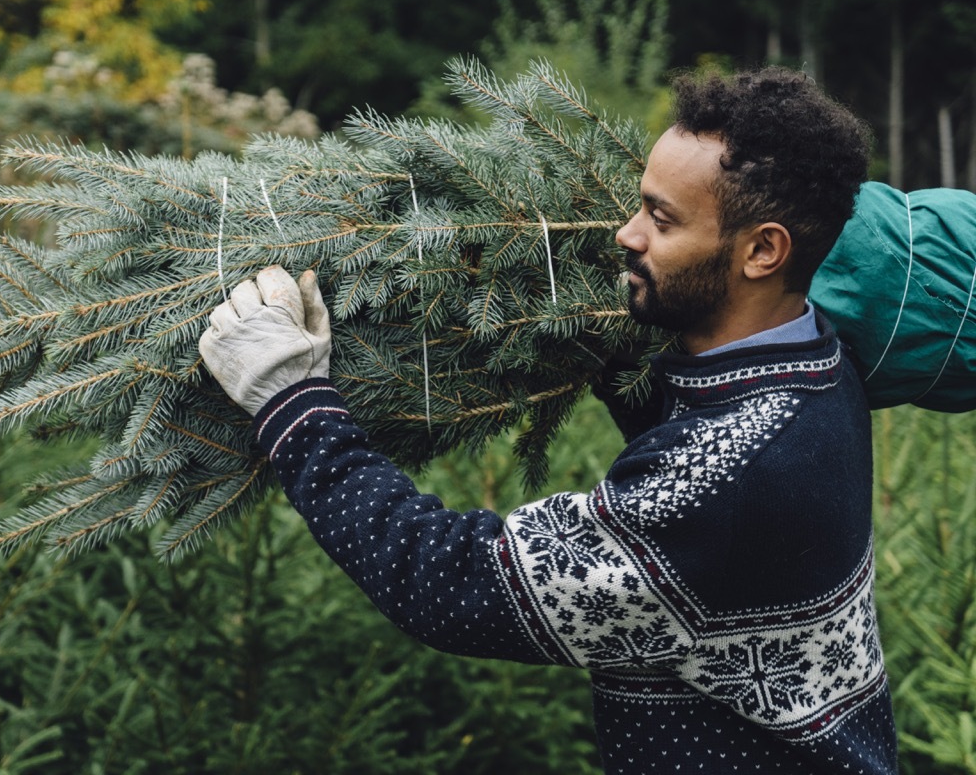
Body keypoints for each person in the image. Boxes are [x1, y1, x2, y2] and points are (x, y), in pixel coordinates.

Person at [198, 67, 898, 773]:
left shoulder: (728, 479)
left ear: (762, 251)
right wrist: (569, 328)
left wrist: (290, 400)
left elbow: (452, 584)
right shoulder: (817, 364)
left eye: (662, 220)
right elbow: (692, 417)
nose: (626, 234)